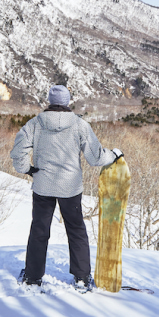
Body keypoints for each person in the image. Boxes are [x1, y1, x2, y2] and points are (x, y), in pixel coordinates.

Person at [10, 85, 123, 291]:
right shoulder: (79, 125)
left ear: (49, 101)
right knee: (76, 230)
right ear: (68, 101)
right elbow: (96, 157)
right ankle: (81, 277)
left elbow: (18, 151)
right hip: (70, 187)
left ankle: (33, 277)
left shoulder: (35, 124)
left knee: (39, 230)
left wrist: (27, 169)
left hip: (43, 185)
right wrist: (114, 155)